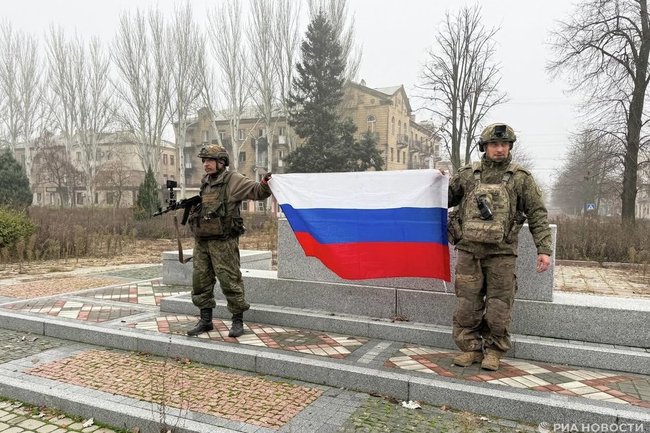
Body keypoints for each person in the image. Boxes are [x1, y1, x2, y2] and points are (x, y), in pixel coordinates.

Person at [447, 123, 551, 371]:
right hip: (469, 252)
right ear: (485, 146)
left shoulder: (521, 178)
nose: (500, 149)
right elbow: (443, 198)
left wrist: (544, 249)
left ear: (510, 146)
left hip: (502, 254)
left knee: (499, 307)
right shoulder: (467, 175)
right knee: (467, 304)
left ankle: (493, 351)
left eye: (504, 144)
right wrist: (436, 180)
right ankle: (470, 349)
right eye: (494, 144)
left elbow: (537, 213)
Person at [186, 144, 272, 338]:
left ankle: (237, 321)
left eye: (210, 160)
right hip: (203, 240)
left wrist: (265, 183)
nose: (206, 164)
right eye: (204, 161)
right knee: (200, 280)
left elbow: (257, 191)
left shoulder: (233, 179)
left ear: (221, 162)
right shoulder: (206, 181)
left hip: (223, 242)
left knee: (229, 280)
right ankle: (206, 320)